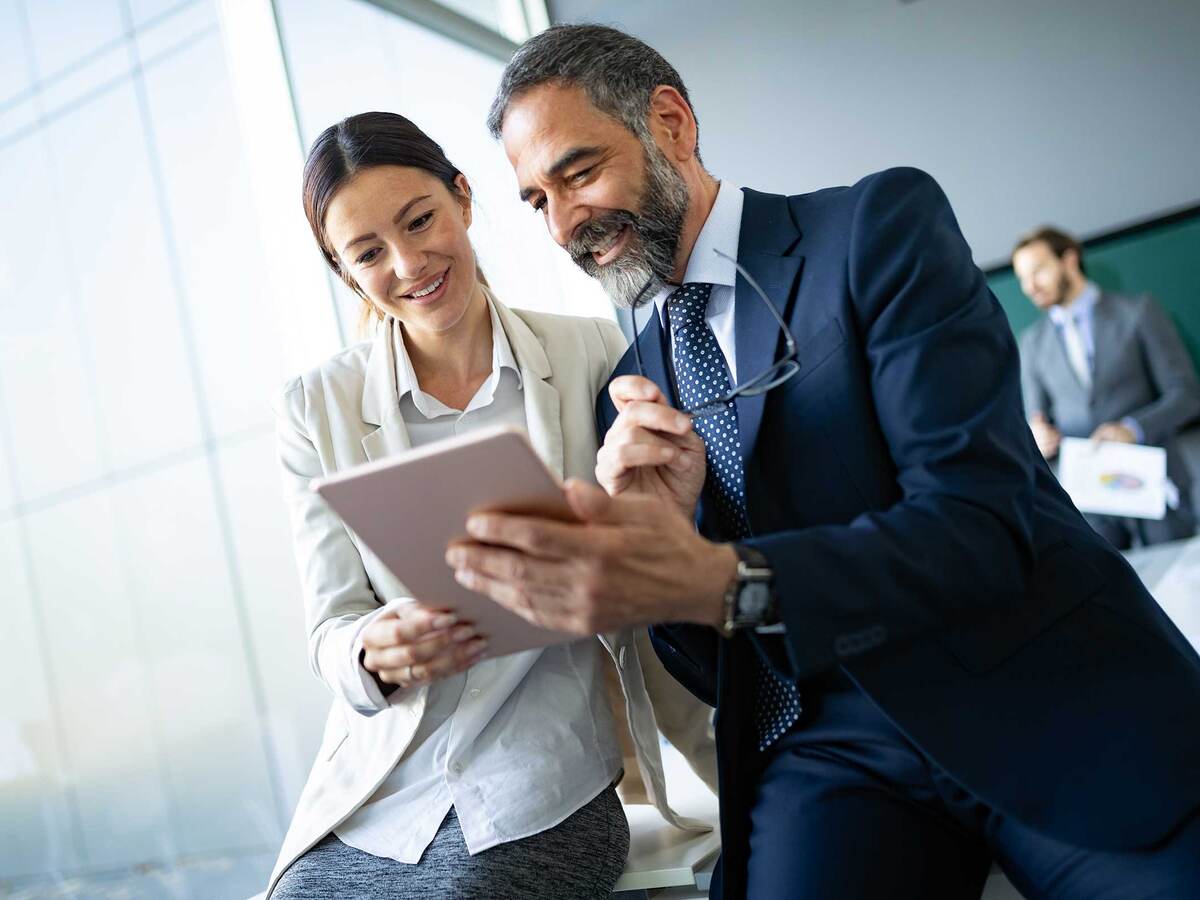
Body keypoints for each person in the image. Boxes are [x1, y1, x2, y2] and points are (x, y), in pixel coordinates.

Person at [439, 24, 1200, 900]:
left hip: (1034, 693)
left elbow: (981, 525)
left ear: (672, 123)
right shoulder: (635, 378)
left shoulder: (876, 228)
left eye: (578, 172)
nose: (567, 222)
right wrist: (657, 550)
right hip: (830, 750)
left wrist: (724, 577)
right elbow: (706, 660)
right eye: (537, 200)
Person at [263, 111, 716, 900]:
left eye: (420, 220)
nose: (408, 263)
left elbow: (667, 542)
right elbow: (330, 628)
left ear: (464, 199)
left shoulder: (592, 354)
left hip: (541, 782)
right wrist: (376, 647)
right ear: (345, 272)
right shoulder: (316, 408)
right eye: (369, 253)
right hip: (383, 794)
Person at [1012, 226, 1200, 548]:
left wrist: (1133, 428)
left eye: (1039, 271)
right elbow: (1035, 419)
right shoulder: (1031, 343)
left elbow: (1186, 395)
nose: (1030, 287)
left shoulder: (1139, 312)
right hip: (1089, 503)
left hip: (1156, 485)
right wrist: (1037, 437)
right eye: (1022, 279)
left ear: (1069, 260)